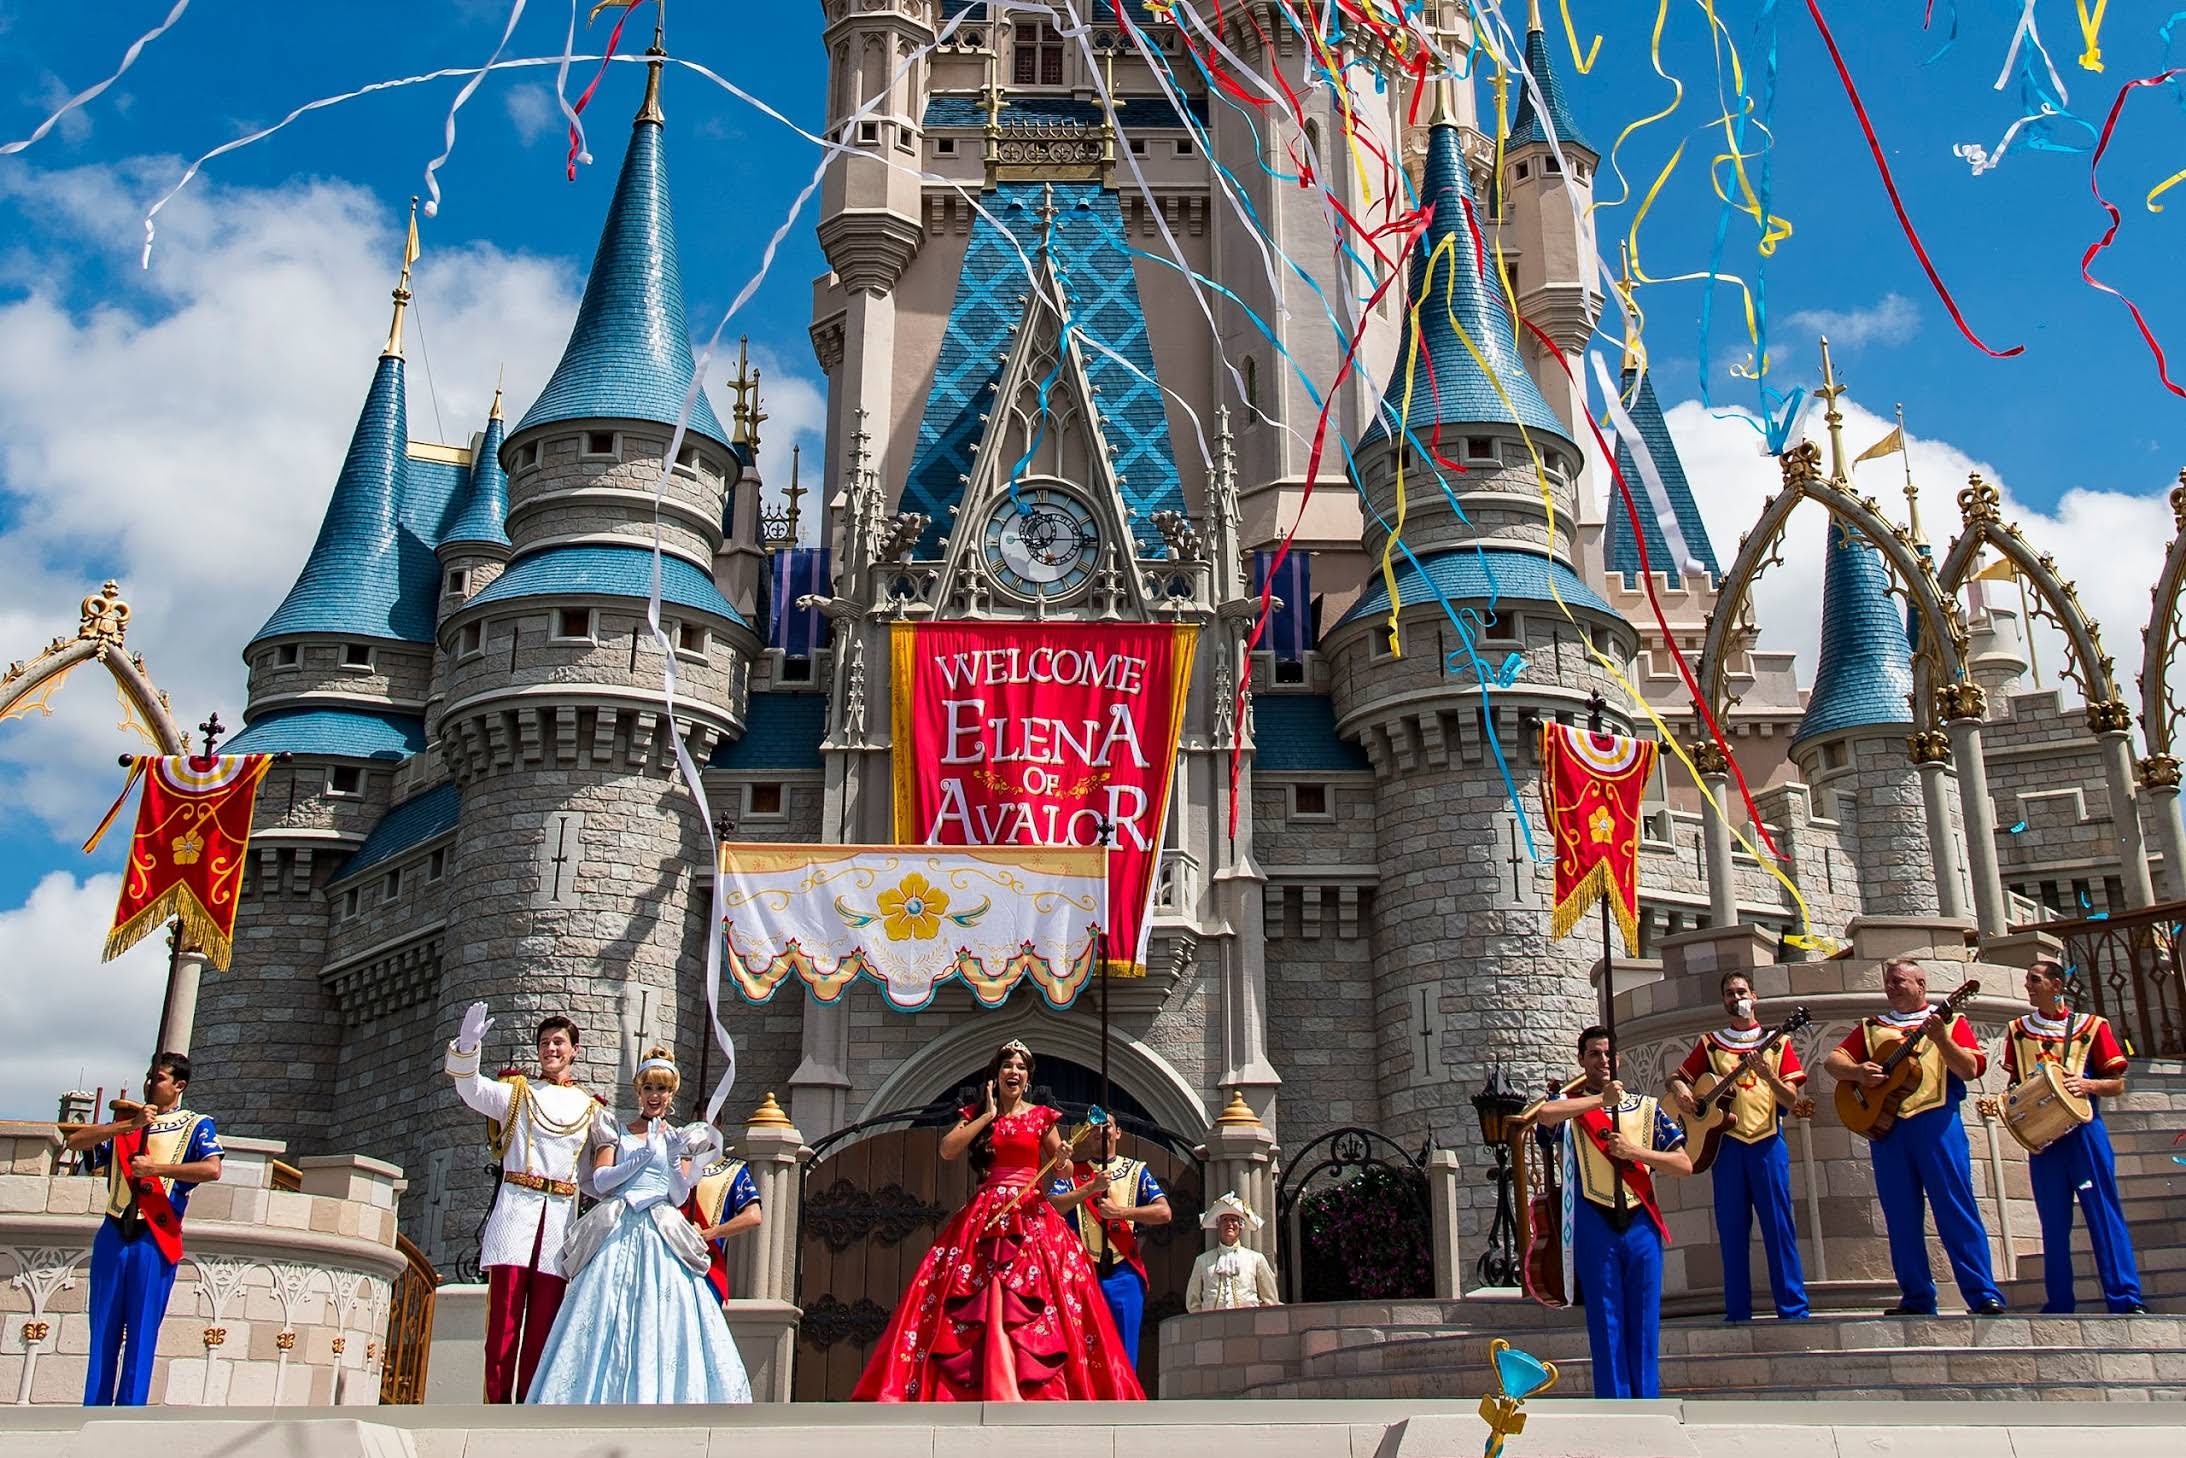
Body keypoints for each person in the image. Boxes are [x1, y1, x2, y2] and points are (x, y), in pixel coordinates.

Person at [851, 1040, 1145, 1402]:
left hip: (1031, 1214)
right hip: (986, 1211)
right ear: (997, 1074)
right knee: (971, 1288)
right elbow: (947, 1150)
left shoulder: (1041, 1117)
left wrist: (1066, 1156)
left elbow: (1063, 1169)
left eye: (1021, 1067)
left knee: (1040, 1292)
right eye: (1008, 1065)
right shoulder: (976, 1112)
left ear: (1028, 1077)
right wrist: (987, 1116)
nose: (1015, 1072)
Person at [525, 1047, 753, 1403]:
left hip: (661, 1227)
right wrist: (641, 1157)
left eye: (661, 1089)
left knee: (663, 1310)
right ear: (639, 1091)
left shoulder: (681, 1137)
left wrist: (675, 1156)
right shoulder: (615, 1130)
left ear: (671, 1094)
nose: (655, 1096)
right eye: (648, 1088)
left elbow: (677, 1196)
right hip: (617, 1223)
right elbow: (601, 1182)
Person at [446, 1001, 618, 1402]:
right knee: (503, 1326)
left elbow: (592, 1180)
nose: (550, 1049)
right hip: (515, 1214)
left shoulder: (591, 1110)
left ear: (575, 1049)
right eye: (544, 1042)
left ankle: (530, 1408)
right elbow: (470, 1089)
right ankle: (496, 1408)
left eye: (558, 1042)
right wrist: (468, 1047)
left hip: (557, 1222)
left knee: (544, 1327)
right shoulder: (516, 1093)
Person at [1822, 958, 2007, 1317]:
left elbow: (1970, 1068)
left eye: (1899, 981)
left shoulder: (1950, 1021)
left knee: (1956, 1208)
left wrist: (1941, 1039)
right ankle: (1917, 1295)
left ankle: (1982, 1292)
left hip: (1936, 1124)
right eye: (1888, 981)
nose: (1891, 987)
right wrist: (1859, 1072)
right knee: (1900, 1215)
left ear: (1921, 985)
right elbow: (1833, 1062)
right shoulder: (1873, 1026)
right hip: (1889, 1130)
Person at [1532, 1025, 1691, 1399]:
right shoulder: (1574, 1109)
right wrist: (1599, 1102)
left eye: (1607, 1054)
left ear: (1617, 1058)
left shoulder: (1647, 1108)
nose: (1603, 1060)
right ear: (1581, 1060)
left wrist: (1635, 1153)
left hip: (1640, 1223)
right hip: (1593, 1219)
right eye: (1593, 1054)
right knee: (1606, 1322)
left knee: (1644, 1322)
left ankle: (1647, 1405)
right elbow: (1546, 1116)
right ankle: (1614, 1407)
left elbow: (1683, 1164)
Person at [64, 1052, 224, 1406]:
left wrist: (157, 1169)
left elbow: (212, 1169)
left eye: (161, 1078)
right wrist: (125, 1126)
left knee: (140, 1332)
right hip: (113, 1231)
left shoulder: (196, 1124)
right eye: (150, 1076)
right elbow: (75, 1143)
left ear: (179, 1086)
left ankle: (128, 1415)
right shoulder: (129, 1123)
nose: (152, 1083)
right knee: (103, 1329)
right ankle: (92, 1411)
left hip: (155, 1234)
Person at [2002, 959, 2145, 1314]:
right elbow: (2014, 1086)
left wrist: (2088, 1084)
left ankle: (2125, 1298)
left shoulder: (2092, 1027)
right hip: (2045, 1140)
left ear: (2056, 984)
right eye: (2027, 980)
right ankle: (2059, 1302)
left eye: (2035, 980)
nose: (2028, 986)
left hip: (2085, 1134)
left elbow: (2118, 1084)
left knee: (2103, 1213)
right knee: (2052, 1222)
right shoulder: (2018, 1030)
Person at [1666, 971, 1810, 1323]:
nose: (1736, 997)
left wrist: (1768, 1074)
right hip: (1727, 1146)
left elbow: (1791, 1099)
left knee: (1779, 1228)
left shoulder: (1776, 1042)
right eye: (1729, 993)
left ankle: (1793, 1310)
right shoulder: (1711, 1043)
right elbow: (1676, 1078)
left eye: (1741, 991)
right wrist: (1682, 1091)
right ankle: (1738, 1312)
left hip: (1767, 1142)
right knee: (1731, 1232)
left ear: (1754, 996)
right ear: (1724, 1001)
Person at [1049, 1121, 1171, 1363]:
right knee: (1082, 1350)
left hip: (1124, 1271)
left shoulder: (1136, 1170)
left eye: (1107, 1125)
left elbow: (1164, 1212)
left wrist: (1120, 1213)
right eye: (1094, 1127)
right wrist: (1090, 1188)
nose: (1100, 1131)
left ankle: (1123, 1400)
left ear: (1118, 1132)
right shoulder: (1074, 1172)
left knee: (1125, 1352)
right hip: (1082, 1271)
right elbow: (1053, 1206)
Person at [683, 1149, 763, 1306]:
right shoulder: (671, 1163)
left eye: (703, 1123)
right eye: (693, 1122)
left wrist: (707, 1234)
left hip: (707, 1264)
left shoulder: (733, 1170)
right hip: (670, 1259)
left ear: (719, 1124)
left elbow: (753, 1216)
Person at [1183, 1192, 1279, 1312]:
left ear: (1241, 1225)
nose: (1229, 1224)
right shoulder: (1202, 1261)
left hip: (1247, 1326)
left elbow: (1270, 1301)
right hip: (1213, 1326)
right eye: (1225, 1220)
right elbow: (1193, 1303)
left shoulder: (1256, 1259)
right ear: (1218, 1224)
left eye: (1233, 1220)